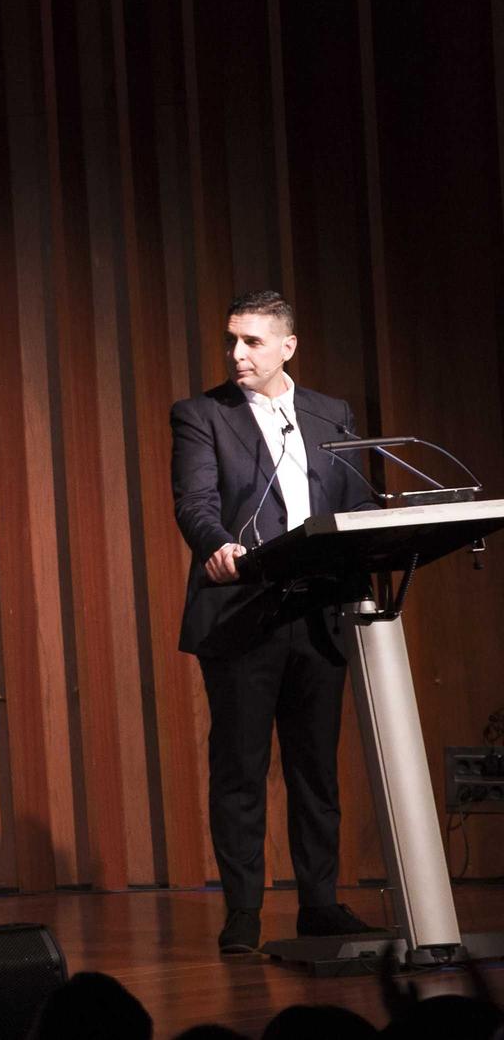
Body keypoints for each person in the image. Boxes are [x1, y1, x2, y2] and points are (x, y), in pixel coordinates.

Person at [169, 290, 379, 955]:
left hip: (317, 611)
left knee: (316, 770)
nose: (236, 354)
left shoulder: (329, 414)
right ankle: (243, 917)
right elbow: (196, 501)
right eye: (231, 340)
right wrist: (216, 545)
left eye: (252, 342)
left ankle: (320, 907)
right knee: (240, 769)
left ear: (287, 346)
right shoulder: (202, 415)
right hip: (243, 610)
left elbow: (357, 500)